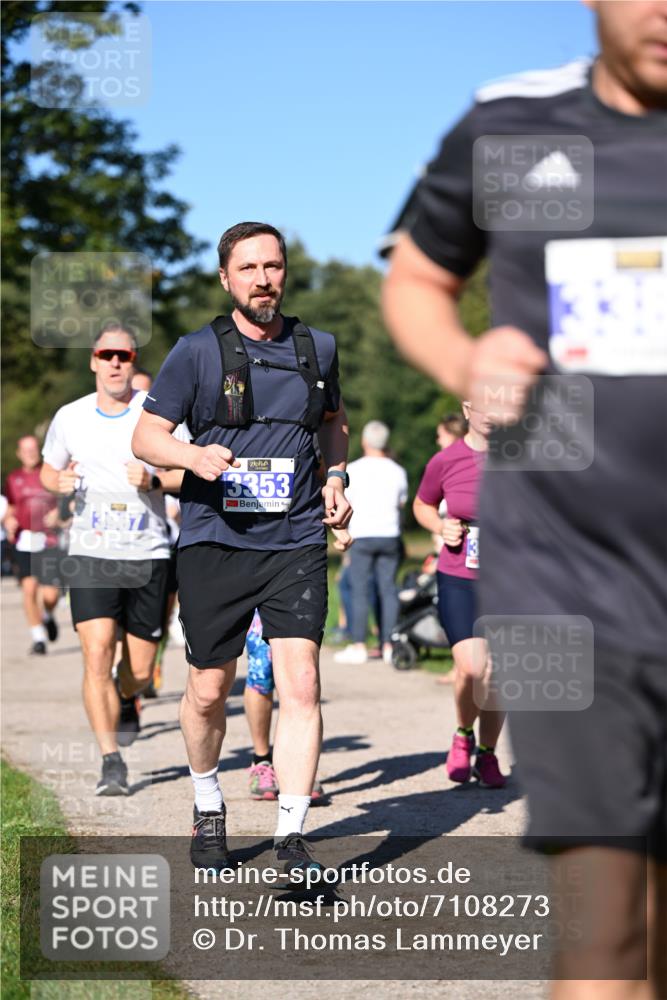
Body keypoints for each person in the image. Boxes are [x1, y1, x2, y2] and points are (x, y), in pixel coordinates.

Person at [383, 2, 666, 995]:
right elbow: (415, 276)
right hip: (564, 581)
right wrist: (467, 356)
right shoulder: (519, 127)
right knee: (607, 937)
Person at [132, 221, 351, 875]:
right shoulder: (197, 351)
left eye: (274, 266)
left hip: (296, 538)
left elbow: (333, 425)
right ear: (226, 278)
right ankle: (207, 804)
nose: (264, 279)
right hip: (214, 540)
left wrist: (335, 477)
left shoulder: (319, 348)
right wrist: (195, 455)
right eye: (250, 268)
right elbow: (146, 439)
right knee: (206, 689)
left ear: (285, 272)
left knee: (302, 685)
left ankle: (290, 837)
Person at [40, 324, 180, 796]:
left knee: (138, 672)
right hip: (90, 551)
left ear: (134, 361)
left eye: (125, 355)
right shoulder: (70, 417)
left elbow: (193, 471)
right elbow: (48, 466)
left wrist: (156, 481)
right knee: (96, 652)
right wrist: (54, 482)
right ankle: (111, 761)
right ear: (94, 361)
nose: (116, 362)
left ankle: (126, 699)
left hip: (148, 553)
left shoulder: (157, 414)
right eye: (107, 354)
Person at [414, 402, 506, 788]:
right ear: (468, 407)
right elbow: (422, 504)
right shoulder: (446, 459)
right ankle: (462, 734)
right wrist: (440, 525)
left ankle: (486, 753)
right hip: (459, 575)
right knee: (473, 666)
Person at [334, 421, 408, 665]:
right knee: (388, 589)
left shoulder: (353, 470)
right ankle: (388, 644)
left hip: (362, 535)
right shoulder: (398, 471)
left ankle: (358, 645)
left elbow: (347, 506)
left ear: (365, 442)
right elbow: (401, 504)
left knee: (359, 589)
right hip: (389, 535)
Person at [4, 435, 63, 654]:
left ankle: (47, 615)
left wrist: (58, 514)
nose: (29, 453)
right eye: (25, 450)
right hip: (24, 539)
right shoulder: (13, 478)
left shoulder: (49, 474)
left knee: (50, 595)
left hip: (49, 540)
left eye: (33, 449)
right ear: (19, 454)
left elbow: (64, 501)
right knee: (29, 589)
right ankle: (38, 637)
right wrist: (8, 520)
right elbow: (10, 507)